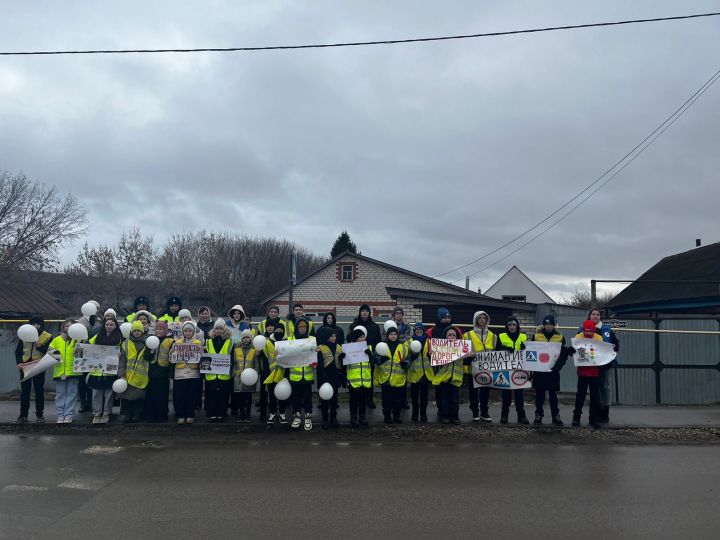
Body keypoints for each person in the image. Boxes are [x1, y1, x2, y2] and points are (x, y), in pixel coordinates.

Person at [582, 308, 620, 424]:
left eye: (598, 314)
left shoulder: (607, 329)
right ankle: (595, 412)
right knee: (594, 388)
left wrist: (610, 356)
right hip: (590, 364)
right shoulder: (582, 328)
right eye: (593, 314)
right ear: (589, 316)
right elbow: (579, 345)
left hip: (605, 364)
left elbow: (615, 345)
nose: (595, 316)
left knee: (605, 386)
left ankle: (605, 412)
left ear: (600, 317)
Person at [531, 315, 568, 426]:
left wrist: (558, 366)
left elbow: (563, 354)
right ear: (543, 325)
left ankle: (555, 416)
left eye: (550, 324)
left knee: (553, 395)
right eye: (546, 324)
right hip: (540, 371)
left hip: (553, 371)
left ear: (553, 325)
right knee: (539, 395)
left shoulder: (560, 337)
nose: (548, 326)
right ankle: (538, 414)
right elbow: (532, 350)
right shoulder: (536, 336)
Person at [15, 316, 52, 424]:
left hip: (39, 366)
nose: (35, 326)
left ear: (41, 325)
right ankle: (23, 415)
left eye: (37, 324)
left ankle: (39, 415)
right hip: (25, 366)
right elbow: (18, 351)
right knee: (25, 392)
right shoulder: (24, 335)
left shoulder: (47, 336)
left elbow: (50, 352)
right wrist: (19, 362)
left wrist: (40, 346)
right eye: (33, 324)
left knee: (39, 391)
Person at [462, 310, 497, 422]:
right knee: (473, 392)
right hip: (473, 368)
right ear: (475, 320)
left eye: (484, 318)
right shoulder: (467, 335)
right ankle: (475, 412)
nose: (482, 320)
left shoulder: (493, 336)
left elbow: (496, 352)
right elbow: (463, 353)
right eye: (480, 318)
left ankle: (484, 412)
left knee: (485, 391)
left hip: (487, 369)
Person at [87, 316, 122, 424]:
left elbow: (123, 351)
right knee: (96, 393)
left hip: (110, 371)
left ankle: (106, 413)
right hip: (96, 371)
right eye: (107, 324)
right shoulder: (97, 336)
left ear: (116, 326)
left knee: (108, 393)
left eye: (111, 324)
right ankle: (97, 413)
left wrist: (120, 354)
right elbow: (88, 346)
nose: (109, 326)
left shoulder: (120, 338)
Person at [496, 317, 529, 424]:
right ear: (507, 326)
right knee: (506, 394)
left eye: (514, 324)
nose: (512, 327)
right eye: (510, 324)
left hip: (519, 370)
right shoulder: (501, 336)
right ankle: (504, 415)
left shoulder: (523, 336)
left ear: (517, 326)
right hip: (506, 369)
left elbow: (529, 353)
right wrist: (504, 349)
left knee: (519, 394)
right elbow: (496, 352)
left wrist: (526, 348)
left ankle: (521, 416)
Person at [373, 323, 409, 424]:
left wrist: (405, 364)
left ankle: (397, 416)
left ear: (397, 335)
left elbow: (408, 359)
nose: (393, 336)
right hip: (386, 378)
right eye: (391, 334)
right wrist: (381, 359)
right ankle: (387, 416)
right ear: (388, 335)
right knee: (386, 400)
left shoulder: (403, 347)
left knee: (397, 400)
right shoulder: (382, 346)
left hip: (398, 379)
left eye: (395, 334)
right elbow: (375, 358)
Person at [572, 320, 604, 428]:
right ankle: (576, 417)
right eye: (587, 331)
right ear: (583, 330)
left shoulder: (598, 338)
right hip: (582, 371)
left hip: (595, 371)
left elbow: (601, 352)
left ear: (594, 331)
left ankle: (593, 419)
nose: (589, 333)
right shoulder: (578, 337)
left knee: (595, 397)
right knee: (580, 395)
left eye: (591, 332)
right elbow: (575, 352)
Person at [117, 321, 150, 423]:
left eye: (138, 331)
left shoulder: (147, 343)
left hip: (141, 375)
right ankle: (127, 414)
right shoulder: (126, 343)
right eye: (134, 331)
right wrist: (121, 372)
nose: (136, 333)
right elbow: (122, 360)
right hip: (127, 374)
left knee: (138, 397)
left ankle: (137, 414)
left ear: (142, 332)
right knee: (126, 397)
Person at [349, 304, 381, 409]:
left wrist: (374, 353)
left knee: (368, 378)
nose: (364, 312)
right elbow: (349, 338)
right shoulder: (354, 325)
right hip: (356, 355)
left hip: (369, 354)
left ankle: (369, 400)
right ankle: (357, 400)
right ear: (360, 312)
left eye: (366, 311)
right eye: (362, 310)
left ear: (369, 313)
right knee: (357, 379)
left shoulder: (374, 326)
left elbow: (378, 340)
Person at [171, 321, 202, 424]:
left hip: (193, 373)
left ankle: (190, 415)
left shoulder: (198, 343)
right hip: (180, 373)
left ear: (193, 332)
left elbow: (201, 358)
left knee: (191, 396)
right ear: (182, 332)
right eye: (186, 331)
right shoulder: (177, 343)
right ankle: (181, 415)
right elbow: (172, 359)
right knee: (180, 396)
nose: (188, 333)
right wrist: (172, 353)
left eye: (190, 331)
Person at [431, 326, 464, 424]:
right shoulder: (440, 348)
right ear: (445, 337)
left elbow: (466, 361)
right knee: (444, 399)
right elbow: (436, 363)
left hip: (456, 379)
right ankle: (443, 415)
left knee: (455, 400)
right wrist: (432, 354)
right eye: (449, 335)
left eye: (454, 335)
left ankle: (455, 416)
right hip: (444, 379)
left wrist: (470, 355)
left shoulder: (462, 348)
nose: (451, 336)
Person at [50, 318, 81, 424]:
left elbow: (83, 354)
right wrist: (57, 356)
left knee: (72, 394)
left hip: (73, 372)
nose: (68, 328)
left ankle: (68, 415)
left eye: (71, 326)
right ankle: (60, 415)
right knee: (60, 394)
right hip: (60, 372)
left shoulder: (78, 339)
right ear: (63, 327)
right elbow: (50, 353)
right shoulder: (56, 340)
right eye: (66, 326)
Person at [203, 319, 234, 423]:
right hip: (211, 375)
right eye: (217, 328)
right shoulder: (208, 341)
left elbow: (232, 356)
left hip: (224, 375)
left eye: (221, 328)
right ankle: (212, 414)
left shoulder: (230, 342)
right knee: (211, 396)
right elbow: (204, 356)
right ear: (214, 330)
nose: (219, 330)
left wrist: (231, 363)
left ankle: (221, 414)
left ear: (224, 329)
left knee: (223, 396)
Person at [144, 320, 174, 423]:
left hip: (163, 370)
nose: (158, 331)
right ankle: (150, 414)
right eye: (157, 329)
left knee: (162, 394)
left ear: (165, 330)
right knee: (151, 394)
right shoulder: (150, 340)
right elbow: (146, 357)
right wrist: (151, 351)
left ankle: (162, 415)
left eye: (161, 329)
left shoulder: (170, 341)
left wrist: (171, 372)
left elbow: (172, 358)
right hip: (152, 370)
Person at [288, 318, 315, 430]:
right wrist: (278, 352)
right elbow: (284, 354)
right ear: (296, 328)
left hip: (308, 375)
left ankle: (308, 417)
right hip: (295, 376)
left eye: (305, 327)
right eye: (300, 327)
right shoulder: (290, 339)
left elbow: (315, 357)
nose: (303, 329)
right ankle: (297, 416)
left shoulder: (312, 339)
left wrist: (316, 352)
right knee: (296, 398)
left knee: (308, 397)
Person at [316, 326, 343, 429]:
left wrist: (342, 358)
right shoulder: (321, 347)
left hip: (335, 376)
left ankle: (333, 418)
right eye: (332, 336)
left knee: (334, 399)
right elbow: (319, 364)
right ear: (327, 336)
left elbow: (341, 363)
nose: (334, 338)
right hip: (325, 377)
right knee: (324, 399)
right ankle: (325, 419)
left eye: (335, 336)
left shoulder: (339, 347)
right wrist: (323, 377)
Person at [345, 327, 373, 427]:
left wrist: (370, 355)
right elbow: (344, 364)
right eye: (360, 337)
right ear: (355, 338)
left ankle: (362, 417)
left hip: (365, 379)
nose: (362, 339)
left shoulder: (368, 348)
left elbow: (373, 362)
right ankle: (353, 418)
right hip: (353, 380)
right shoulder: (349, 349)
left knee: (363, 400)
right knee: (353, 400)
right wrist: (342, 357)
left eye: (363, 337)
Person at [262, 324, 289, 425]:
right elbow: (265, 359)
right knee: (272, 395)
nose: (278, 332)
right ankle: (272, 413)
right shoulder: (267, 343)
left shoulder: (287, 342)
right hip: (271, 373)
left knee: (283, 394)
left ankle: (282, 413)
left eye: (280, 330)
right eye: (276, 330)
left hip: (283, 373)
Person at [407, 322, 434, 422]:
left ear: (423, 331)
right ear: (414, 331)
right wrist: (411, 356)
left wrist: (430, 355)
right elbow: (404, 355)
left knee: (424, 396)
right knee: (414, 396)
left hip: (425, 374)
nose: (419, 331)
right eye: (417, 329)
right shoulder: (409, 342)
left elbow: (435, 356)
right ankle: (415, 414)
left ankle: (423, 413)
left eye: (420, 330)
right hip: (414, 372)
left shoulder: (429, 342)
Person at [232, 329, 257, 423]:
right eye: (244, 338)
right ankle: (241, 413)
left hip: (250, 379)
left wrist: (255, 375)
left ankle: (248, 414)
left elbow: (256, 364)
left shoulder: (253, 351)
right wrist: (235, 373)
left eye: (248, 337)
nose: (246, 339)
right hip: (238, 379)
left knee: (248, 397)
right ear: (241, 339)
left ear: (251, 339)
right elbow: (234, 364)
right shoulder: (236, 350)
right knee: (240, 398)